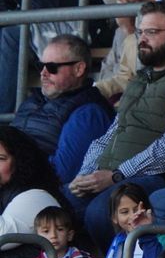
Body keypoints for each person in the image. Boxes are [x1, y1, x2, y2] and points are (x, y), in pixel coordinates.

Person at [66, 3, 165, 247]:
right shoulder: (138, 80)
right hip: (111, 174)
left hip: (157, 177)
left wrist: (118, 175)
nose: (142, 39)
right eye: (140, 32)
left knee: (100, 214)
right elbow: (108, 135)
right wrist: (84, 175)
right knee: (58, 204)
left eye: (151, 32)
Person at [12, 33, 113, 186]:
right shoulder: (34, 99)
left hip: (32, 192)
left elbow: (61, 174)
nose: (43, 73)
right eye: (41, 66)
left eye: (52, 67)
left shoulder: (89, 113)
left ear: (79, 69)